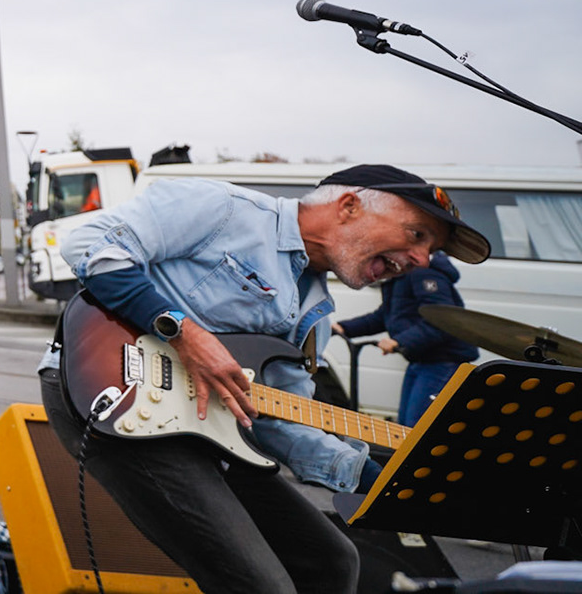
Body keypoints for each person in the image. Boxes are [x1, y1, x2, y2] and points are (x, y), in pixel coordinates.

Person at [41, 164, 491, 594]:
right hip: (118, 399)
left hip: (209, 435)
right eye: (417, 236)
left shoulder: (315, 317)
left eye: (430, 252)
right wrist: (182, 331)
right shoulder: (223, 209)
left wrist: (381, 475)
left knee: (333, 560)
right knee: (261, 586)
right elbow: (90, 244)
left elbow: (280, 420)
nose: (420, 259)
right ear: (350, 206)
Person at [335, 250, 478, 425]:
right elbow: (385, 316)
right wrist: (344, 328)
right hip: (420, 359)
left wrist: (399, 341)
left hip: (443, 361)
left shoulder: (424, 273)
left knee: (418, 427)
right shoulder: (399, 277)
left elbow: (443, 321)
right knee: (404, 426)